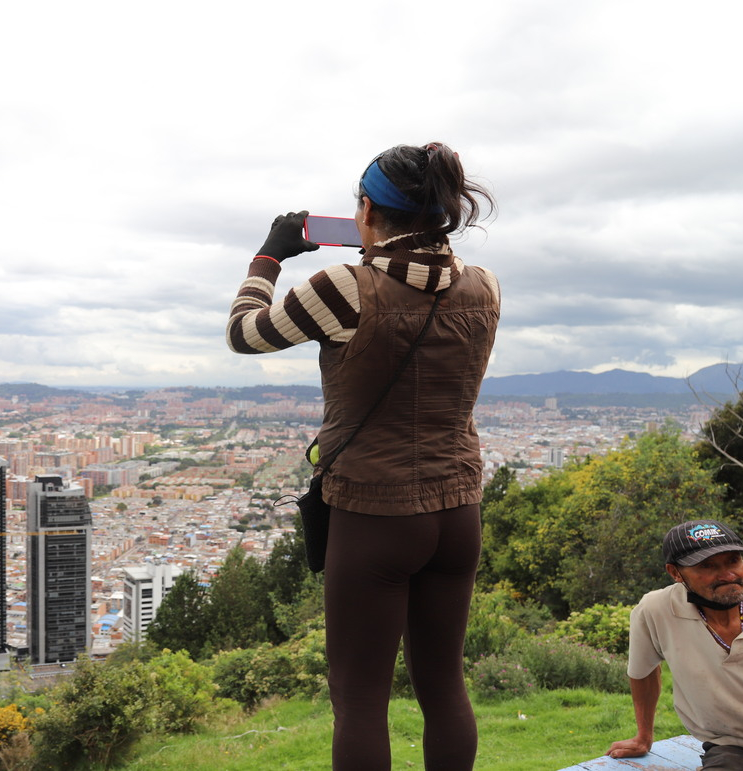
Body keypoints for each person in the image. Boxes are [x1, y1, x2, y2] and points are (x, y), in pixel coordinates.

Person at [226, 143, 499, 770]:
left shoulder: (348, 285)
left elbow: (245, 332)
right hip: (458, 509)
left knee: (360, 699)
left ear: (367, 208)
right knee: (444, 684)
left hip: (374, 512)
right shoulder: (484, 285)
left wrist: (269, 255)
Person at [608, 519, 743, 770]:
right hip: (740, 749)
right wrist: (643, 736)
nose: (728, 575)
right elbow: (643, 673)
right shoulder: (656, 610)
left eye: (733, 560)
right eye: (707, 566)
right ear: (675, 573)